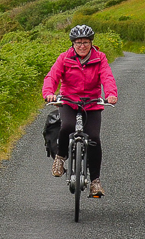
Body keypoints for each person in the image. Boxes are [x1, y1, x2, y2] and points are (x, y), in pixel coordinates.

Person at [42, 25, 119, 197]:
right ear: (73, 44)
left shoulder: (100, 58)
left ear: (91, 43)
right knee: (67, 126)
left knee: (94, 138)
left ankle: (95, 182)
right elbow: (52, 76)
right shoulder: (64, 58)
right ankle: (60, 159)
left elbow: (107, 77)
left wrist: (111, 94)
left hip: (91, 103)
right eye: (78, 43)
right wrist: (49, 93)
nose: (82, 46)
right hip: (69, 101)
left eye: (85, 42)